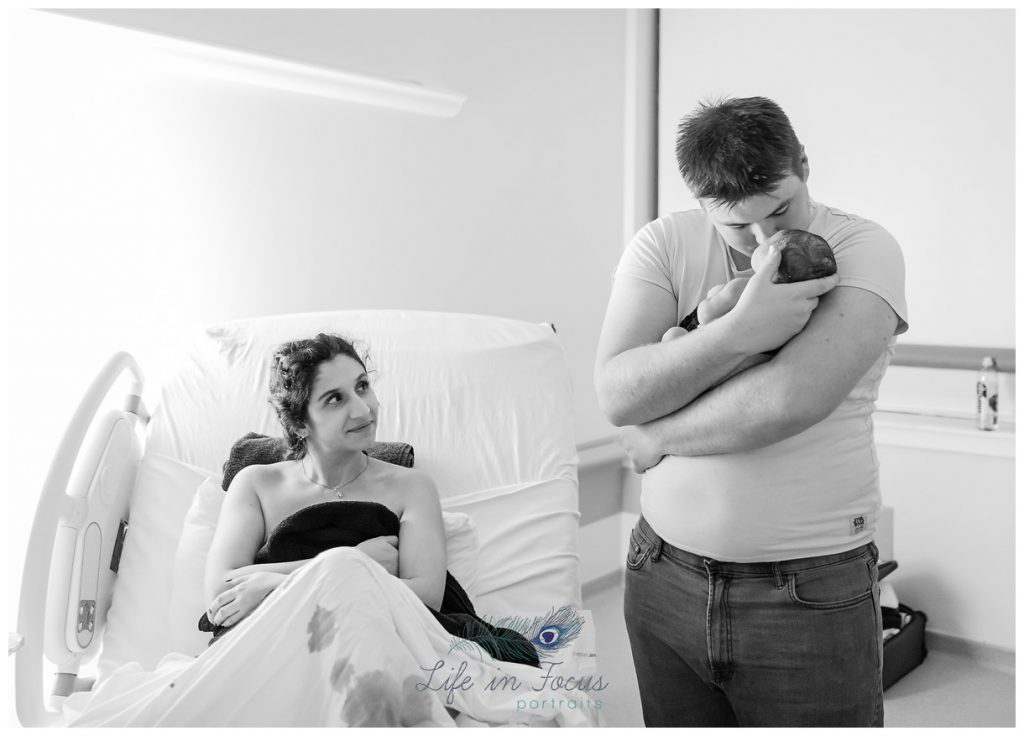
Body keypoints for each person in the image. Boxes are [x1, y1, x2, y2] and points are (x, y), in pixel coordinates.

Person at [594, 96, 908, 727]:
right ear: (701, 201)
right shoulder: (663, 243)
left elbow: (788, 399)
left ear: (804, 166)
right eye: (737, 226)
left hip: (808, 591)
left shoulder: (865, 247)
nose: (766, 242)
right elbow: (618, 394)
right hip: (661, 575)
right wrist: (740, 330)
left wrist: (656, 436)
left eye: (781, 210)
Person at [204, 332, 537, 666]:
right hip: (278, 649)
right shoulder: (256, 483)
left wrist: (272, 584)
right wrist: (354, 560)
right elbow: (222, 589)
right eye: (335, 399)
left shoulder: (412, 487)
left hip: (377, 648)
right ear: (300, 422)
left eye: (362, 386)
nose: (363, 410)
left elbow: (426, 597)